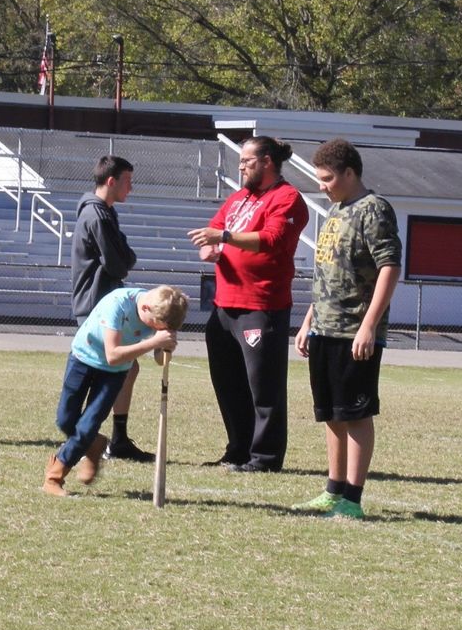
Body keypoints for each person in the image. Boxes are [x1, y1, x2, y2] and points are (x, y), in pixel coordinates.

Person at [293, 138, 402, 520]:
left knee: (355, 413)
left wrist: (369, 325)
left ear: (350, 173)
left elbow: (390, 267)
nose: (321, 185)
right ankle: (333, 489)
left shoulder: (374, 210)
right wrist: (309, 321)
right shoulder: (337, 209)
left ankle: (352, 498)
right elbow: (329, 272)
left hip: (354, 330)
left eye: (327, 178)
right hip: (325, 328)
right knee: (331, 413)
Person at [187, 136, 309, 472]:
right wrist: (208, 248)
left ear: (267, 161)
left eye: (247, 161)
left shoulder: (287, 198)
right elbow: (213, 228)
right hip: (225, 305)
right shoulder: (239, 198)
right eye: (240, 161)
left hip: (261, 304)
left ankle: (265, 458)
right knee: (228, 385)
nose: (241, 167)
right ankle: (238, 450)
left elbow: (272, 240)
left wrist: (224, 238)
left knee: (263, 388)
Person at [45, 284, 188, 495]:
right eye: (156, 325)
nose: (158, 329)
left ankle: (54, 477)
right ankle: (95, 444)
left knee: (87, 425)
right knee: (65, 420)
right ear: (146, 308)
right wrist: (154, 342)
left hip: (115, 373)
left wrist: (165, 347)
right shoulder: (118, 305)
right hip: (84, 358)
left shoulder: (164, 313)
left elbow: (159, 356)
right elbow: (112, 355)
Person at [71, 154, 153, 463]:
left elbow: (122, 258)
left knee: (127, 368)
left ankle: (116, 439)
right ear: (111, 181)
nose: (131, 188)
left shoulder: (106, 212)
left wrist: (124, 255)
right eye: (127, 182)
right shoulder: (97, 216)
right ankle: (84, 438)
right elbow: (120, 263)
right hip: (95, 304)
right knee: (104, 372)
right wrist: (125, 256)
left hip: (101, 301)